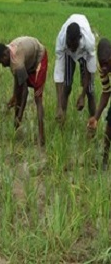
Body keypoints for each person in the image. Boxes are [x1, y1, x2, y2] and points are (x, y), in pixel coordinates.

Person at [0, 36, 48, 146]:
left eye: (1, 62)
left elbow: (24, 92)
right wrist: (14, 96)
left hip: (39, 58)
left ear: (5, 55)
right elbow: (18, 80)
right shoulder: (10, 52)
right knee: (18, 92)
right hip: (29, 61)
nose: (3, 66)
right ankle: (16, 126)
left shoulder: (16, 62)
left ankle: (41, 136)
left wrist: (20, 115)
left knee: (38, 98)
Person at [54, 14, 96, 123]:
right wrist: (58, 105)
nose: (72, 48)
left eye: (74, 45)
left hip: (83, 53)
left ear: (80, 39)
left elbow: (89, 70)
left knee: (90, 91)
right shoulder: (61, 40)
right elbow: (59, 74)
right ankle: (61, 117)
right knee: (66, 86)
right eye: (70, 45)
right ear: (66, 39)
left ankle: (93, 122)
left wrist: (82, 95)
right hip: (67, 54)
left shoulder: (88, 43)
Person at [87, 38, 111, 170]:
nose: (104, 67)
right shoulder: (102, 67)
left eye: (107, 63)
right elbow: (106, 92)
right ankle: (105, 159)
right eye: (102, 64)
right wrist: (95, 117)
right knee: (109, 128)